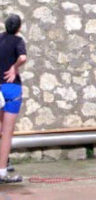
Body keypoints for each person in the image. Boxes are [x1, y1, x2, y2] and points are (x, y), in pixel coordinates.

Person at [0, 14, 27, 184]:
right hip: (11, 88)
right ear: (18, 27)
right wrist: (14, 67)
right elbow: (23, 57)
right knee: (7, 132)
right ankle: (2, 171)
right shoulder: (18, 41)